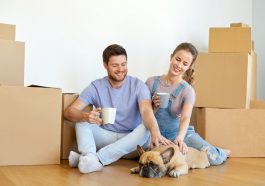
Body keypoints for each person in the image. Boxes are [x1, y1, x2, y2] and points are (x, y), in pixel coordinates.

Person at [64, 44, 170, 174]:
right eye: (115, 65)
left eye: (123, 64)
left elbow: (146, 111)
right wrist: (86, 116)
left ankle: (93, 159)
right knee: (81, 121)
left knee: (146, 127)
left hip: (133, 143)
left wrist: (155, 130)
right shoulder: (96, 86)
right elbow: (69, 112)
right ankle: (90, 158)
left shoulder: (138, 85)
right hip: (107, 138)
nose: (120, 69)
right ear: (105, 65)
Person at [145, 42, 230, 165]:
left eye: (185, 63)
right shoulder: (151, 82)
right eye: (177, 59)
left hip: (178, 133)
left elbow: (185, 117)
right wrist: (153, 107)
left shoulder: (187, 90)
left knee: (213, 157)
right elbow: (142, 113)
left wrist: (180, 138)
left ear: (189, 67)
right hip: (153, 132)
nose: (179, 65)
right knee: (143, 155)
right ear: (171, 57)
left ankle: (222, 152)